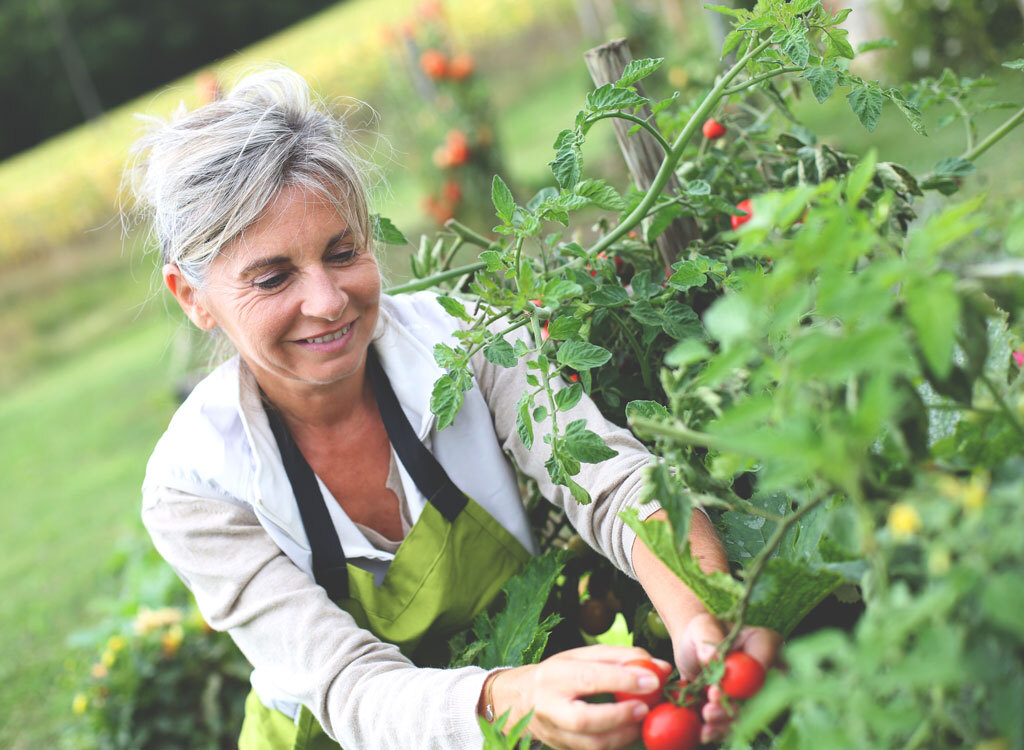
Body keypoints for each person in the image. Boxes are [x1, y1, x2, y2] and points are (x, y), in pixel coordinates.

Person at [129, 67, 780, 750]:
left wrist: (703, 615)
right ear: (193, 297)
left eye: (343, 251)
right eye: (272, 277)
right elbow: (348, 687)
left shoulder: (467, 341)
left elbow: (614, 486)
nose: (326, 300)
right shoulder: (194, 486)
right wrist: (514, 696)